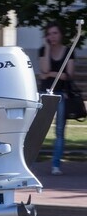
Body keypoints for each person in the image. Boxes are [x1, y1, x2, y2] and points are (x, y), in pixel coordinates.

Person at [38, 22, 75, 175]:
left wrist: (49, 74)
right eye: (49, 34)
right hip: (45, 93)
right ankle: (29, 161)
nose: (52, 36)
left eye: (55, 33)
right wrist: (47, 49)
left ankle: (56, 165)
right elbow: (44, 69)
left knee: (59, 130)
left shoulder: (68, 51)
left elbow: (68, 75)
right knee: (38, 128)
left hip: (61, 94)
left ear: (61, 34)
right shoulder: (43, 50)